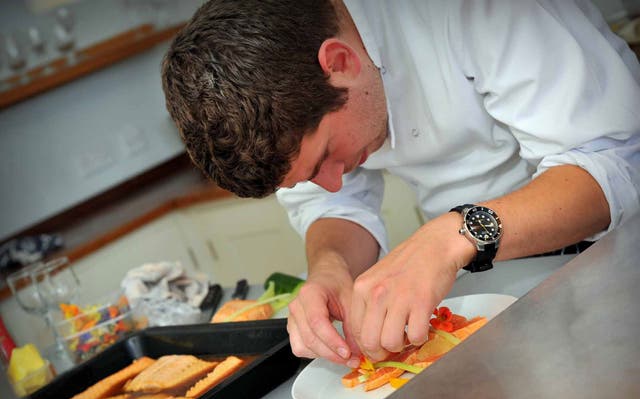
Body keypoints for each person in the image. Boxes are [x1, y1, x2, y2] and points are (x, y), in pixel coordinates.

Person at [161, 0, 640, 368]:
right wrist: (330, 269)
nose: (331, 183)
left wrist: (453, 235)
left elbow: (614, 162)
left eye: (326, 156)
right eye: (310, 175)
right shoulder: (302, 85)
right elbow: (333, 206)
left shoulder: (477, 12)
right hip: (493, 283)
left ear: (341, 62)